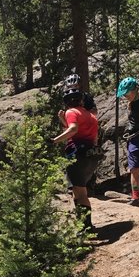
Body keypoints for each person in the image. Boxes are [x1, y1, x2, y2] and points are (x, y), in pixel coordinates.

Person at [51, 87, 99, 231]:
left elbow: (73, 130)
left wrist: (54, 140)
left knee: (80, 192)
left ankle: (87, 226)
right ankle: (83, 225)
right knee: (78, 191)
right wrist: (62, 119)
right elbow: (87, 133)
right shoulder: (90, 115)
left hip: (76, 154)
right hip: (90, 155)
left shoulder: (71, 112)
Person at [117, 76, 139, 206]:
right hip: (134, 139)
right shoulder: (132, 105)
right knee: (134, 169)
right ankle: (136, 197)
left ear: (134, 90)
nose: (125, 96)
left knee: (136, 169)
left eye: (127, 93)